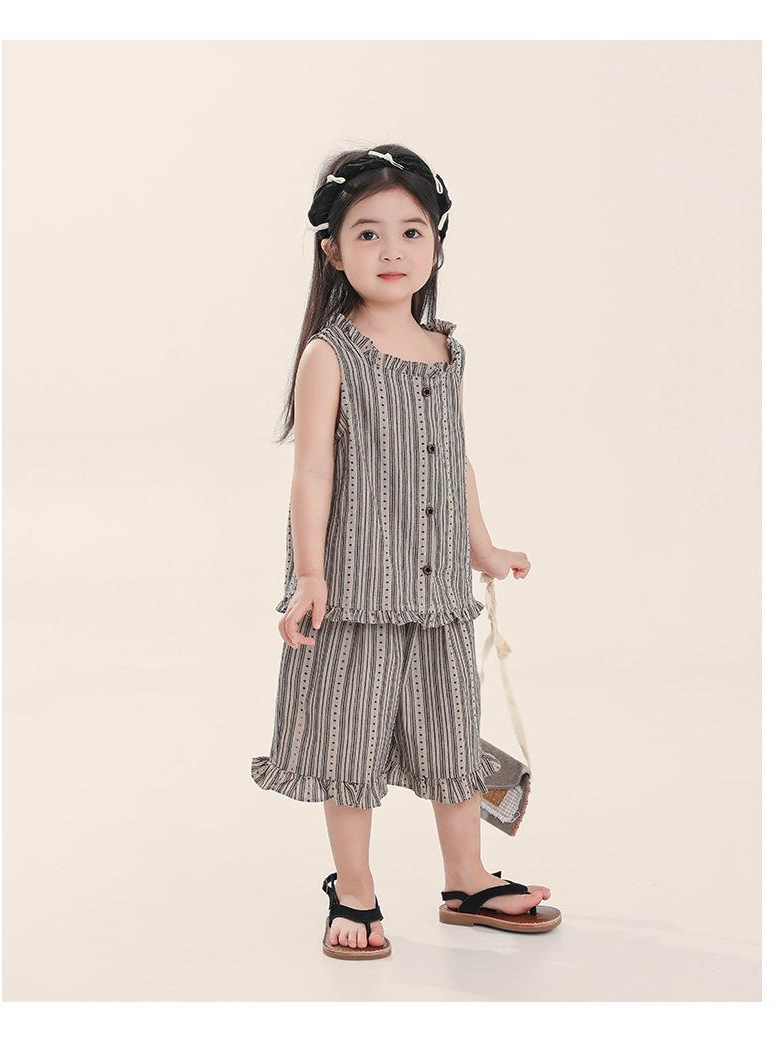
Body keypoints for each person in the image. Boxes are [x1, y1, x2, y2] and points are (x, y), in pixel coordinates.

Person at [251, 144, 553, 960]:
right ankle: (353, 888)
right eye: (369, 233)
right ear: (333, 251)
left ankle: (467, 878)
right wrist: (309, 575)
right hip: (355, 592)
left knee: (453, 740)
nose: (392, 250)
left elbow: (454, 461)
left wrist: (483, 546)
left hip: (438, 595)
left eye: (412, 232)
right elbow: (313, 470)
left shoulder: (446, 352)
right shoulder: (331, 353)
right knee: (349, 742)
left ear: (437, 246)